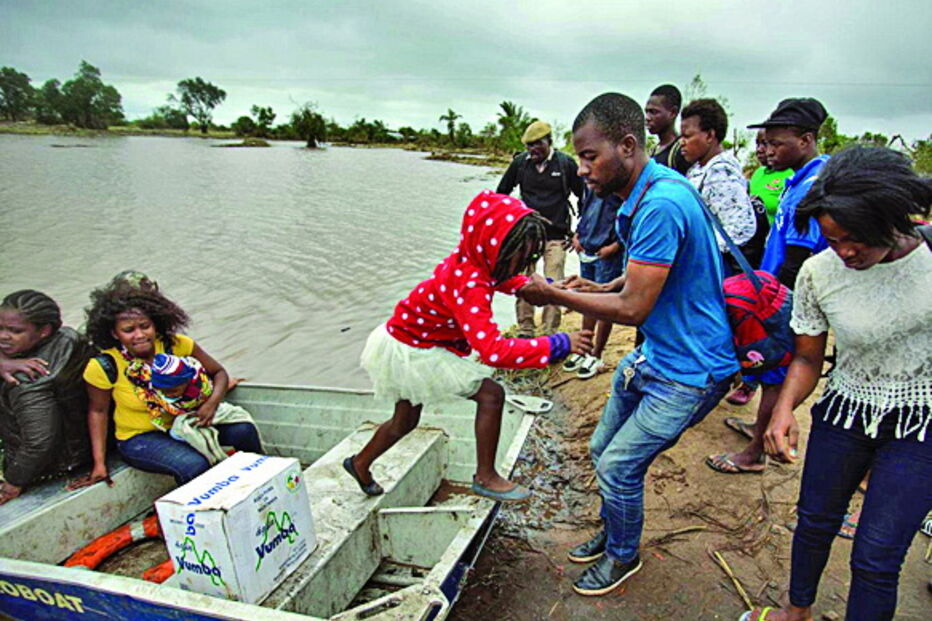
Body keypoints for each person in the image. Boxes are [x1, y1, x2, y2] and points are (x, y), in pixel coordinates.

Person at [518, 93, 739, 596]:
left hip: (690, 369)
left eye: (590, 156)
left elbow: (636, 310)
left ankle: (623, 556)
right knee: (602, 449)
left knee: (619, 464)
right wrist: (599, 287)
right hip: (654, 356)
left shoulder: (660, 204)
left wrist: (553, 293)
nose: (583, 169)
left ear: (628, 145)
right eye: (579, 157)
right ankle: (617, 524)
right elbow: (642, 281)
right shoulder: (645, 192)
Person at [742, 147, 932, 621]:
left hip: (920, 425)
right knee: (814, 523)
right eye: (832, 239)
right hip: (845, 413)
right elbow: (808, 357)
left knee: (877, 556)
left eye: (855, 240)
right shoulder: (819, 273)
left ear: (891, 220)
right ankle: (796, 612)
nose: (844, 252)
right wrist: (784, 409)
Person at [346, 191, 593, 503]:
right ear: (495, 249)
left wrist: (552, 289)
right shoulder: (471, 282)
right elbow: (493, 351)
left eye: (529, 258)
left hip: (409, 336)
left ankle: (359, 463)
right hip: (412, 348)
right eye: (519, 257)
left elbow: (509, 282)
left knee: (405, 421)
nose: (524, 265)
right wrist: (559, 343)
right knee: (492, 395)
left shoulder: (475, 259)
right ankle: (485, 476)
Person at [707, 98, 831, 474]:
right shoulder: (798, 179)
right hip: (774, 287)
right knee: (768, 372)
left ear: (806, 140)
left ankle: (754, 455)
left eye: (777, 143)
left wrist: (766, 303)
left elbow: (798, 258)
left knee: (776, 375)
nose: (768, 151)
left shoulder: (816, 185)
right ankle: (759, 429)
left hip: (784, 297)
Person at [69, 285, 262, 487]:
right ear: (115, 334)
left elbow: (219, 373)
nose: (139, 335)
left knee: (243, 431)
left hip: (187, 423)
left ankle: (260, 487)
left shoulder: (177, 345)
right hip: (140, 438)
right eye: (128, 330)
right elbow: (98, 412)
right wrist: (99, 464)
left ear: (155, 324)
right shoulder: (104, 366)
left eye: (145, 326)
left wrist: (211, 404)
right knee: (193, 465)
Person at [0, 290, 94, 503]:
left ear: (44, 331)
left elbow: (39, 443)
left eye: (14, 331)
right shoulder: (69, 337)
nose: (3, 336)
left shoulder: (27, 381)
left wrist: (13, 482)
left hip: (52, 466)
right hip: (81, 445)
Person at [496, 120, 585, 336]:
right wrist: (506, 227)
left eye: (538, 144)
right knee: (523, 282)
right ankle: (525, 328)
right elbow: (501, 194)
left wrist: (580, 232)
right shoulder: (520, 164)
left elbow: (585, 196)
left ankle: (549, 332)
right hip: (525, 237)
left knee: (553, 284)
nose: (533, 150)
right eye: (529, 145)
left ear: (549, 142)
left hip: (556, 235)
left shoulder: (565, 164)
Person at [680, 98, 760, 271]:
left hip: (715, 268)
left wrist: (699, 250)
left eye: (687, 136)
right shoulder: (699, 168)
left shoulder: (721, 172)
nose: (682, 142)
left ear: (710, 135)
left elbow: (741, 226)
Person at [563, 187, 623, 379]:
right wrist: (577, 235)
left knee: (605, 304)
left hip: (607, 252)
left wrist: (615, 246)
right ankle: (584, 347)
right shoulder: (589, 181)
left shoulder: (619, 184)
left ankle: (597, 354)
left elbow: (628, 219)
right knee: (587, 301)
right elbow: (585, 208)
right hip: (587, 247)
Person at [749, 129, 795, 224]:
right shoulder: (758, 173)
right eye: (757, 144)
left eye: (765, 144)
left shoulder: (791, 174)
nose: (759, 149)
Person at [645, 84, 692, 175]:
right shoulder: (652, 151)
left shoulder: (681, 151)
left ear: (673, 112)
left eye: (653, 112)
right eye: (646, 112)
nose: (647, 118)